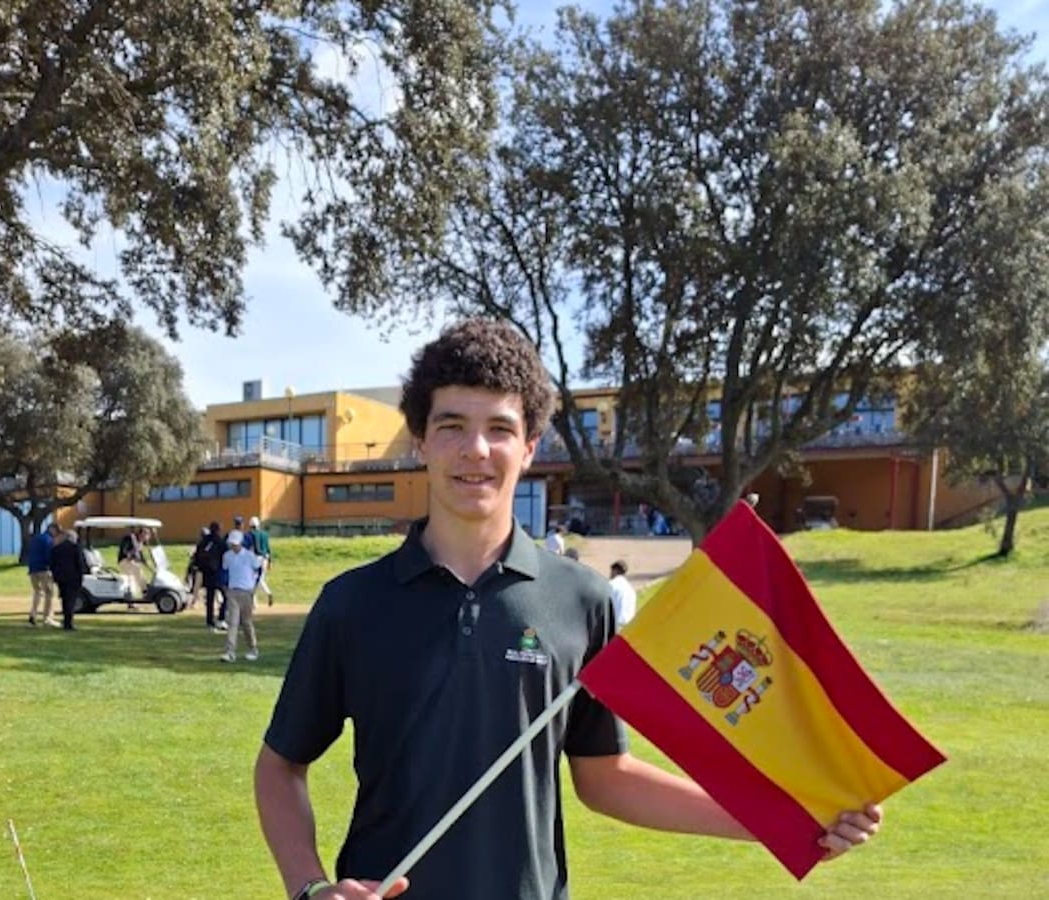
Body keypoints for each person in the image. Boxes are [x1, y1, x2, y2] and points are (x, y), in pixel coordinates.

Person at [255, 319, 882, 900]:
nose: (476, 449)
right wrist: (310, 888)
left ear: (529, 446)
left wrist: (776, 818)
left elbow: (605, 775)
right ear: (420, 441)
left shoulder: (582, 600)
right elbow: (280, 766)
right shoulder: (353, 602)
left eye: (500, 428)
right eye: (451, 426)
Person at [220, 531, 260, 662]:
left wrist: (254, 587)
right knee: (233, 622)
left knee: (247, 623)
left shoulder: (249, 556)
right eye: (232, 544)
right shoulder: (227, 556)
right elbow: (224, 572)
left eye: (235, 544)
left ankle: (253, 648)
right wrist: (225, 587)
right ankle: (230, 652)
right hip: (233, 592)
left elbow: (259, 569)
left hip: (247, 592)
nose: (233, 546)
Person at [50, 529, 88, 631]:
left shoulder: (56, 549)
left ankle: (66, 620)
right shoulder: (75, 548)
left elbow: (52, 565)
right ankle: (68, 623)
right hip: (73, 577)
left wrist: (55, 577)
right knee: (71, 600)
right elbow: (80, 563)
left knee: (64, 599)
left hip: (61, 578)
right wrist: (82, 575)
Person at [193, 522, 227, 631]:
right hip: (218, 573)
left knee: (210, 599)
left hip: (206, 573)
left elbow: (197, 556)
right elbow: (226, 556)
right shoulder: (219, 541)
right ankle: (221, 619)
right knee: (227, 596)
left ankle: (210, 623)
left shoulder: (203, 542)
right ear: (218, 530)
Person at [27, 523, 59, 626]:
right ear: (52, 529)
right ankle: (47, 617)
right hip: (44, 569)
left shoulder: (35, 539)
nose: (56, 534)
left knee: (37, 592)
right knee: (49, 593)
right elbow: (49, 555)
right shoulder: (48, 540)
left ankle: (33, 614)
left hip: (33, 569)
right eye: (56, 531)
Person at [248, 516, 275, 606]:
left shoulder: (252, 534)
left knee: (256, 579)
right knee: (259, 578)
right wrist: (270, 560)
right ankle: (255, 600)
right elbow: (268, 548)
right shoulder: (265, 534)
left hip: (257, 558)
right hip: (265, 558)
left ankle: (266, 594)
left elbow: (256, 548)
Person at [117, 525, 149, 599]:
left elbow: (140, 554)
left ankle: (140, 593)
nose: (145, 539)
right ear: (141, 534)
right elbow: (125, 551)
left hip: (131, 561)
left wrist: (146, 562)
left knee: (138, 575)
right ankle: (145, 591)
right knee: (137, 570)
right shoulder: (130, 538)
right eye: (145, 536)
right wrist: (131, 554)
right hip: (124, 561)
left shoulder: (139, 541)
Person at [608, 559, 637, 628]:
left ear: (615, 570)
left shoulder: (612, 584)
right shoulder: (630, 589)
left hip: (616, 625)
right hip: (629, 626)